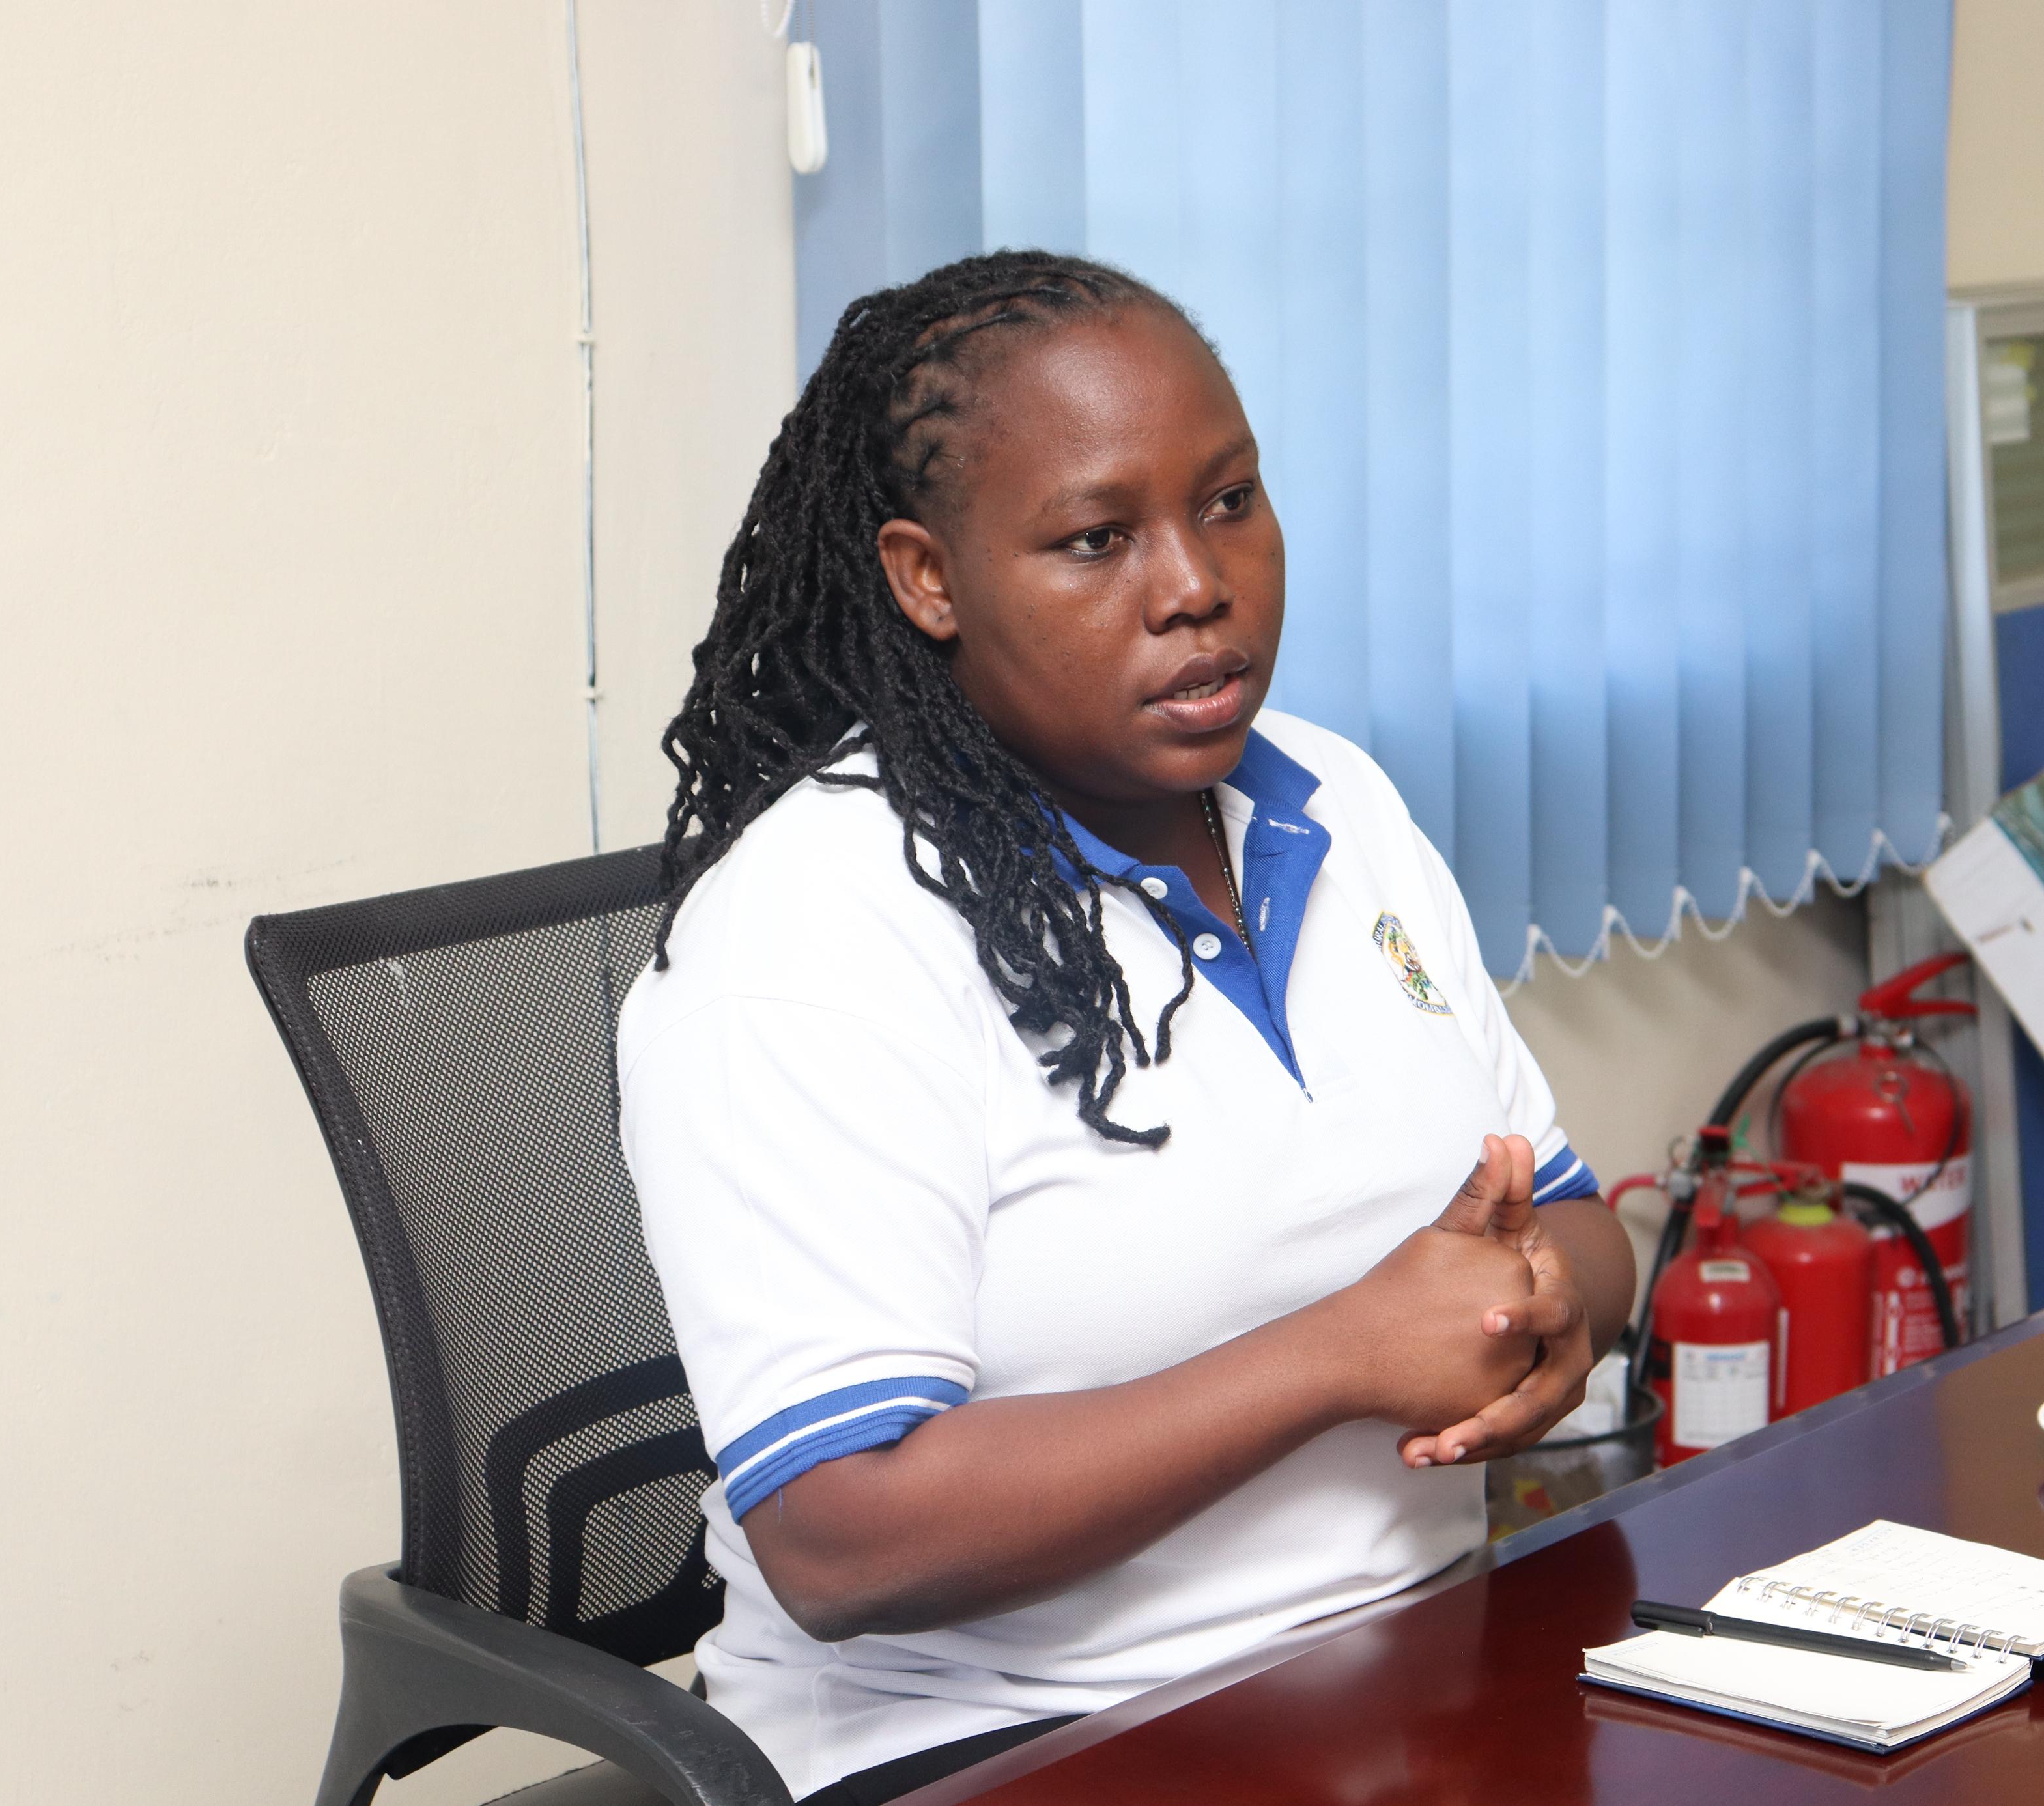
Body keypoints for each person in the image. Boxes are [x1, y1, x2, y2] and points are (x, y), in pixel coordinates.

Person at [618, 249, 1634, 1805]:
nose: (1194, 585)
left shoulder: (1332, 801)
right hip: (1006, 1743)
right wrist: (1343, 1354)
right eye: (1096, 539)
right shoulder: (815, 928)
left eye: (1227, 500)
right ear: (926, 576)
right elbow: (839, 1532)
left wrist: (1550, 1309)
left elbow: (1559, 1204)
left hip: (1404, 1672)